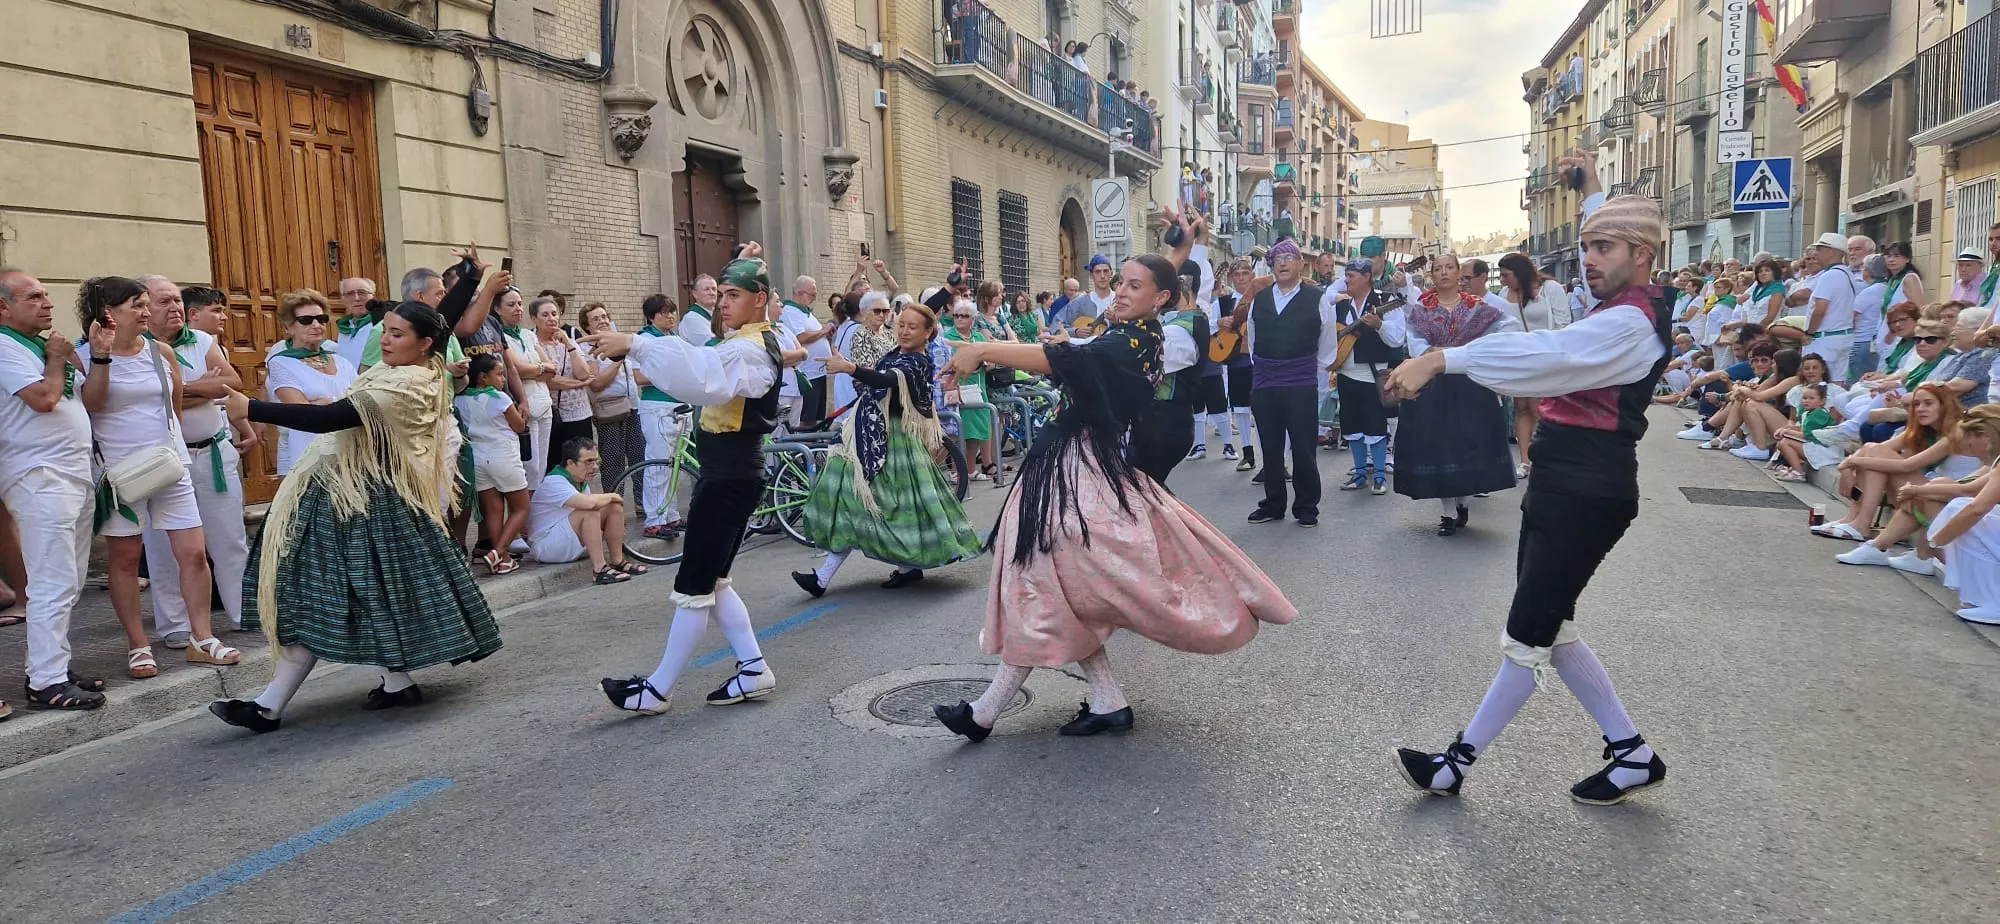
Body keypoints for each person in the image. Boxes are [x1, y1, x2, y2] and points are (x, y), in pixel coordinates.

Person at [1386, 156, 1674, 805]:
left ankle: (1452, 766)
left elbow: (1548, 358)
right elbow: (1619, 251)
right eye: (1587, 245)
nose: (1588, 258)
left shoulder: (1629, 324)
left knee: (1527, 635)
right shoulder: (1640, 296)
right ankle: (1631, 754)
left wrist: (1442, 358)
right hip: (1563, 479)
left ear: (1642, 253)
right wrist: (1591, 186)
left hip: (1587, 489)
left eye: (1604, 247)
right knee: (1553, 626)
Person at [928, 252, 1298, 743]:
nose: (1120, 291)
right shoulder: (1128, 333)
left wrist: (985, 350)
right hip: (1068, 466)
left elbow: (1072, 360)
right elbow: (1079, 352)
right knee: (1054, 587)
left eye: (1134, 286)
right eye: (1119, 282)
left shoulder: (1139, 339)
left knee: (1040, 581)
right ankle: (1101, 701)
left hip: (1077, 468)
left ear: (1160, 298)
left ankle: (986, 711)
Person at [210, 299, 503, 732]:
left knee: (318, 596)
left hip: (364, 503)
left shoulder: (406, 385)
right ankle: (393, 682)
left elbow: (331, 418)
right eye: (385, 329)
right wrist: (470, 278)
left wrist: (250, 409)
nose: (385, 339)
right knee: (359, 597)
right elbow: (440, 318)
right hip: (353, 499)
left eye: (397, 334)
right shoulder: (420, 366)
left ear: (424, 345)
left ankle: (269, 706)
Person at [588, 248, 797, 715]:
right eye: (720, 294)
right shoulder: (748, 340)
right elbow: (700, 367)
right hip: (728, 478)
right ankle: (753, 668)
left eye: (733, 295)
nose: (722, 302)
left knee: (694, 588)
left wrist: (637, 344)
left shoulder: (750, 348)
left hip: (729, 482)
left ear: (759, 299)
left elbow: (703, 376)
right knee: (714, 582)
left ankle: (657, 690)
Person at [76, 276, 242, 679]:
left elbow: (175, 404)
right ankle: (138, 644)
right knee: (126, 559)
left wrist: (175, 451)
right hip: (119, 474)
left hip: (170, 466)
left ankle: (201, 638)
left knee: (193, 553)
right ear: (108, 312)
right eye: (137, 304)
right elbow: (92, 405)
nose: (146, 311)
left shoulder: (160, 350)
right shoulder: (84, 355)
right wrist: (100, 358)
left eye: (146, 303)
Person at [792, 302, 983, 596]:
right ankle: (833, 577)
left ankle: (826, 578)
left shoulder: (917, 362)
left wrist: (849, 368)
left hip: (890, 444)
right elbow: (879, 379)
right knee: (860, 502)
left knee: (877, 505)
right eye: (901, 325)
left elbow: (887, 379)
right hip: (866, 436)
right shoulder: (899, 354)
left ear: (929, 333)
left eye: (912, 327)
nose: (904, 331)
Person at [0, 269, 104, 710]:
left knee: (71, 579)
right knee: (52, 581)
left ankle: (52, 665)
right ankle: (45, 681)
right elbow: (43, 400)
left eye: (46, 294)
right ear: (3, 307)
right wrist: (59, 358)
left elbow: (90, 401)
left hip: (72, 472)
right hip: (40, 475)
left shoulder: (43, 346)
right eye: (33, 297)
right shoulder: (5, 347)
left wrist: (97, 356)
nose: (47, 303)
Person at [137, 275, 251, 648]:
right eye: (164, 302)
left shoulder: (201, 340)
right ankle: (175, 627)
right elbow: (153, 403)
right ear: (143, 307)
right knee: (164, 547)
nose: (176, 309)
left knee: (230, 540)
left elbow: (232, 383)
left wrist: (183, 391)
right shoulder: (135, 349)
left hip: (212, 452)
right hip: (163, 462)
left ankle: (244, 614)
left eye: (177, 301)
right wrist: (202, 386)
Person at [1395, 253, 1520, 535]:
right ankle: (1448, 512)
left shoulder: (1477, 307)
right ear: (1431, 275)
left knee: (1467, 443)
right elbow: (1414, 339)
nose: (1444, 273)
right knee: (1439, 445)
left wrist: (1473, 350)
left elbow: (1508, 328)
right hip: (1434, 383)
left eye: (1449, 267)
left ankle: (1462, 501)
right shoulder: (1422, 309)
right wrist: (1429, 354)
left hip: (1469, 382)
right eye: (1437, 268)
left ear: (1458, 273)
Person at [1232, 238, 1334, 527]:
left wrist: (1307, 369)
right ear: (1272, 266)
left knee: (1303, 447)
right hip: (1265, 382)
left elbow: (1327, 343)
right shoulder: (1260, 300)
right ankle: (1273, 503)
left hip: (1301, 382)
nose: (1283, 263)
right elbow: (1252, 338)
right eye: (1278, 259)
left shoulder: (1317, 298)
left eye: (1290, 258)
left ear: (1301, 264)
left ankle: (1306, 507)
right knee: (1270, 446)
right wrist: (1267, 367)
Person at [1330, 258, 1410, 495]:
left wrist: (1379, 325)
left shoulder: (1385, 302)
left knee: (1375, 426)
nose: (1346, 280)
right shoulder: (1341, 306)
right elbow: (1328, 336)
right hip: (1345, 373)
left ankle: (1378, 476)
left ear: (1366, 277)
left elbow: (1396, 339)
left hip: (1373, 374)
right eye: (1346, 275)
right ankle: (1359, 473)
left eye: (1351, 275)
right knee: (1352, 426)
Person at [266, 290, 361, 476]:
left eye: (321, 319)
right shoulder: (281, 363)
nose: (316, 325)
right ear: (288, 327)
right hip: (309, 452)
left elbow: (360, 402)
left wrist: (325, 404)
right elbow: (300, 412)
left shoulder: (342, 361)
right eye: (306, 320)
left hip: (348, 451)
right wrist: (338, 404)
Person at [527, 437, 647, 580]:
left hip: (568, 542)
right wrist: (613, 495)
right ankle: (599, 569)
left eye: (596, 461)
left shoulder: (580, 481)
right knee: (590, 511)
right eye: (588, 462)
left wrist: (613, 500)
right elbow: (589, 504)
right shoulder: (554, 482)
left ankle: (617, 561)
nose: (595, 467)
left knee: (612, 507)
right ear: (570, 463)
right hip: (545, 547)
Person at [455, 353, 530, 574]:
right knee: (521, 507)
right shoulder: (500, 398)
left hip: (478, 458)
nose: (503, 379)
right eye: (498, 374)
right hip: (503, 455)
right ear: (483, 377)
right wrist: (522, 415)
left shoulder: (460, 399)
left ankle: (503, 560)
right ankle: (497, 551)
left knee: (493, 511)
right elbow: (518, 426)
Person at [1497, 254, 1569, 477]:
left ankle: (1544, 457)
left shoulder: (1550, 289)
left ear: (1519, 273)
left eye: (1506, 275)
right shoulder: (1503, 294)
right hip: (1517, 359)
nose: (1502, 279)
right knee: (1522, 408)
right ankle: (1525, 460)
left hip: (1543, 357)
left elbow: (1563, 322)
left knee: (1541, 408)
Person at [578, 302, 644, 501]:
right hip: (609, 410)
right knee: (613, 460)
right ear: (587, 326)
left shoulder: (618, 341)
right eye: (596, 319)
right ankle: (614, 504)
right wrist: (617, 362)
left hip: (632, 406)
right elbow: (596, 383)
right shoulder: (586, 348)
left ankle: (642, 502)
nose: (603, 321)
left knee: (638, 456)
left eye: (605, 316)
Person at [632, 295, 685, 539]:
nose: (670, 316)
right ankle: (654, 518)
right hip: (658, 406)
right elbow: (639, 377)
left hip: (680, 405)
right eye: (664, 312)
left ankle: (670, 515)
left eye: (672, 311)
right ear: (652, 316)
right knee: (658, 463)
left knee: (674, 464)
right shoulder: (644, 340)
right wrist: (672, 373)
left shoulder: (674, 338)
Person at [533, 296, 595, 475]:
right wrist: (579, 384)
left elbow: (584, 372)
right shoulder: (534, 344)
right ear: (534, 319)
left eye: (554, 314)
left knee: (583, 463)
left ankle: (580, 500)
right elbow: (549, 380)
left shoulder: (568, 342)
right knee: (555, 463)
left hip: (580, 413)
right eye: (545, 315)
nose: (551, 318)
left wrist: (569, 344)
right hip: (553, 415)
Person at [942, 299, 1001, 484]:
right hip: (959, 388)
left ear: (973, 319)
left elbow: (990, 359)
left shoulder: (979, 338)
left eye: (964, 316)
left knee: (978, 429)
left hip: (978, 388)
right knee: (960, 431)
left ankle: (970, 469)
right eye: (957, 315)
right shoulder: (949, 337)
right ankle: (955, 471)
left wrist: (989, 363)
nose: (959, 319)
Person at [1803, 233, 1861, 380]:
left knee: (1818, 383)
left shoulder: (1829, 276)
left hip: (1826, 338)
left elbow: (1820, 309)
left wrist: (1809, 333)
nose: (1816, 253)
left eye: (1820, 249)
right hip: (1842, 335)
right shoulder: (1847, 273)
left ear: (1833, 252)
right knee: (1837, 383)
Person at [779, 276, 833, 426]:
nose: (814, 299)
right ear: (801, 293)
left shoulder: (805, 312)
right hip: (809, 373)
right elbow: (801, 336)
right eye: (812, 295)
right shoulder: (790, 311)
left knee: (815, 417)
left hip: (818, 373)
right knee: (806, 418)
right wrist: (823, 331)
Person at [335, 277, 379, 369]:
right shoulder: (345, 327)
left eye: (362, 292)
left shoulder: (380, 324)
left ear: (373, 296)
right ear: (343, 299)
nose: (357, 298)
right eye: (350, 294)